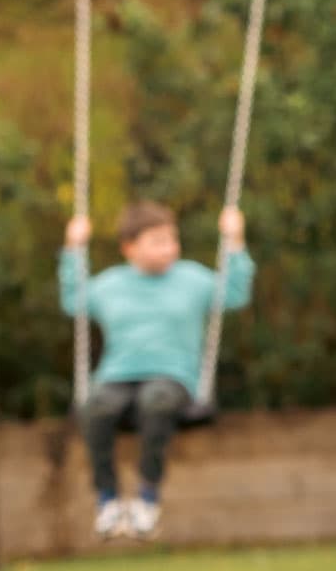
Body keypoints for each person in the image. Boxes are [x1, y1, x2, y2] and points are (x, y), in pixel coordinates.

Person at [62, 201, 254, 541]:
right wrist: (72, 249)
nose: (170, 248)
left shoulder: (192, 279)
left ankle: (147, 498)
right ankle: (107, 500)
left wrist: (235, 241)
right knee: (96, 407)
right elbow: (73, 300)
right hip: (117, 376)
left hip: (172, 376)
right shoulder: (110, 285)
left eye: (172, 239)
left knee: (156, 399)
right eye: (158, 241)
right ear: (129, 248)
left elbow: (235, 295)